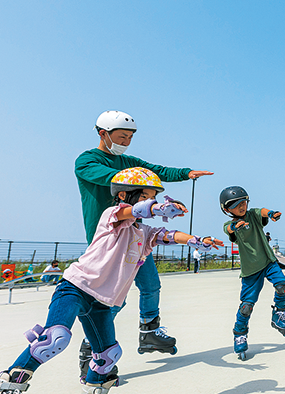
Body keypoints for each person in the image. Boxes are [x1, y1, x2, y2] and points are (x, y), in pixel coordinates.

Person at [0, 168, 222, 394]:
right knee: (55, 338)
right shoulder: (112, 218)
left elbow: (168, 234)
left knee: (107, 355)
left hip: (103, 303)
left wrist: (197, 241)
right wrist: (159, 207)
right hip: (75, 288)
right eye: (148, 197)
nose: (152, 204)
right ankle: (3, 393)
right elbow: (133, 210)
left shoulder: (143, 232)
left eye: (155, 198)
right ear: (125, 196)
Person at [74, 110, 213, 365]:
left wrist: (186, 173)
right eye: (122, 137)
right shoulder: (86, 161)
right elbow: (115, 178)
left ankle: (149, 332)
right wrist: (155, 202)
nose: (126, 142)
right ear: (103, 134)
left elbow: (155, 171)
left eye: (129, 138)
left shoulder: (129, 162)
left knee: (151, 285)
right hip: (108, 240)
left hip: (135, 235)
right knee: (115, 297)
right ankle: (90, 346)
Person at [220, 186, 285, 360]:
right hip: (251, 270)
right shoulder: (229, 225)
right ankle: (240, 333)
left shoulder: (252, 215)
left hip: (269, 262)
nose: (242, 207)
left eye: (243, 202)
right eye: (236, 205)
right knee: (246, 306)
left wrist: (272, 213)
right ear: (227, 210)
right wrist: (235, 226)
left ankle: (279, 312)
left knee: (282, 286)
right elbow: (229, 229)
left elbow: (262, 211)